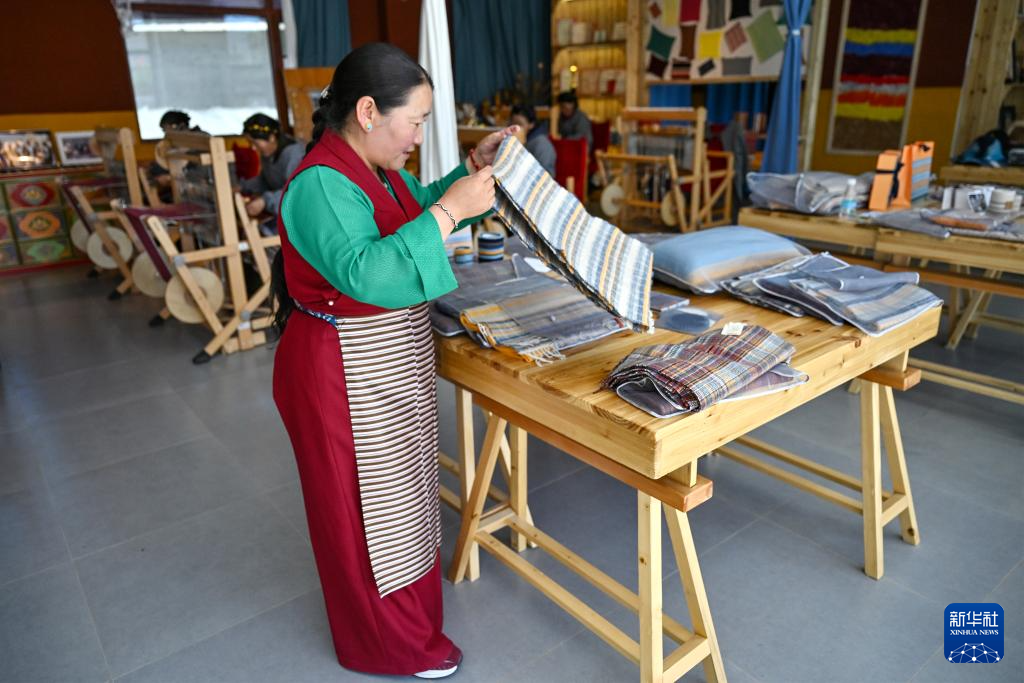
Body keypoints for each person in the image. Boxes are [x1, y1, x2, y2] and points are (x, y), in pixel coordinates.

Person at [269, 42, 517, 679]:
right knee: (364, 513)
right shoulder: (320, 183)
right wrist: (451, 210)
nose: (418, 137)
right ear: (368, 112)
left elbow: (418, 206)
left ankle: (413, 624)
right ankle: (389, 646)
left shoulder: (375, 170)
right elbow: (367, 272)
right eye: (416, 121)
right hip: (339, 371)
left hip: (383, 362)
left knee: (403, 499)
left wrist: (470, 172)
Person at [240, 113, 305, 221]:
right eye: (250, 143)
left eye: (255, 143)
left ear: (271, 138)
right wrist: (243, 187)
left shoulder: (294, 154)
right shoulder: (268, 155)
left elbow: (296, 193)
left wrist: (265, 201)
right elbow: (265, 180)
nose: (253, 148)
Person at [148, 110, 193, 203]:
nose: (165, 134)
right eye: (164, 131)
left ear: (180, 126)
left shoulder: (196, 142)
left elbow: (198, 173)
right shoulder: (173, 144)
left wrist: (170, 177)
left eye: (166, 130)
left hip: (192, 194)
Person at [510, 104, 557, 176]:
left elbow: (547, 175)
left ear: (531, 124)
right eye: (512, 124)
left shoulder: (542, 145)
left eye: (519, 124)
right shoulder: (516, 140)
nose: (515, 128)